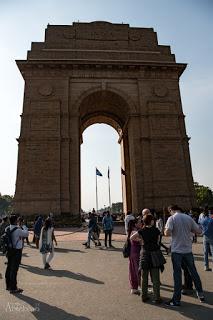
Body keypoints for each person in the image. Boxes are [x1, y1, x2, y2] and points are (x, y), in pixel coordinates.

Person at [164, 205, 204, 306]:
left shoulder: (171, 218)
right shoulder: (188, 218)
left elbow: (167, 233)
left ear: (171, 210)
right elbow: (199, 231)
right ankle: (200, 294)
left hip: (177, 250)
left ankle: (176, 300)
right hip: (187, 250)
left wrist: (166, 230)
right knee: (193, 272)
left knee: (177, 275)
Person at [131, 214, 164, 303]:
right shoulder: (156, 230)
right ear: (151, 221)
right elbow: (158, 241)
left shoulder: (142, 230)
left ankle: (144, 296)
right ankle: (157, 297)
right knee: (155, 277)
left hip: (144, 253)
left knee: (144, 277)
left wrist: (141, 240)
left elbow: (132, 237)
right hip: (154, 254)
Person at [5, 214, 29, 294]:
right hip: (16, 251)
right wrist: (24, 226)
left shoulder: (7, 228)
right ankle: (13, 288)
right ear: (16, 221)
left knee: (9, 268)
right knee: (14, 270)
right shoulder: (18, 230)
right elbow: (26, 234)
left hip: (9, 250)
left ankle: (8, 285)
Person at [128, 218, 143, 295]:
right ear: (135, 224)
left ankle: (134, 288)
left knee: (133, 270)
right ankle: (138, 287)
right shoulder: (135, 231)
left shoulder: (134, 230)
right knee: (137, 271)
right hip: (136, 253)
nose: (141, 223)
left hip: (134, 252)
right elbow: (141, 241)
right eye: (140, 222)